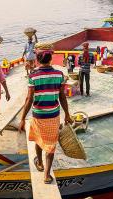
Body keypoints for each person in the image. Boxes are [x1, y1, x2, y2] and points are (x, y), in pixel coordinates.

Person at [18, 43, 73, 184]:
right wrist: (67, 114)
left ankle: (40, 163)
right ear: (50, 58)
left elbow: (29, 99)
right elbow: (62, 96)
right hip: (53, 115)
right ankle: (47, 175)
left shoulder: (33, 75)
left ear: (37, 58)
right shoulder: (59, 74)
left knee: (38, 140)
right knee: (51, 145)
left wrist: (23, 118)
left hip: (38, 115)